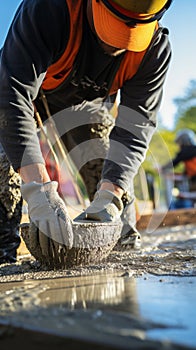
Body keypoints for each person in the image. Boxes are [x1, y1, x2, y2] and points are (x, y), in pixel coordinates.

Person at [0, 0, 172, 264]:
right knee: (3, 166)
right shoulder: (53, 9)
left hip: (87, 106)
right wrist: (38, 190)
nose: (117, 45)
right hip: (23, 95)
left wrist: (110, 196)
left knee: (109, 172)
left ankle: (122, 250)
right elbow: (12, 94)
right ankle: (3, 251)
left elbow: (135, 129)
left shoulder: (154, 50)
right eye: (112, 29)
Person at [162, 129, 196, 208]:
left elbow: (175, 161)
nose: (179, 146)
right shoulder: (190, 155)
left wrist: (162, 168)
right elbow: (187, 172)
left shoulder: (189, 150)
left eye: (179, 143)